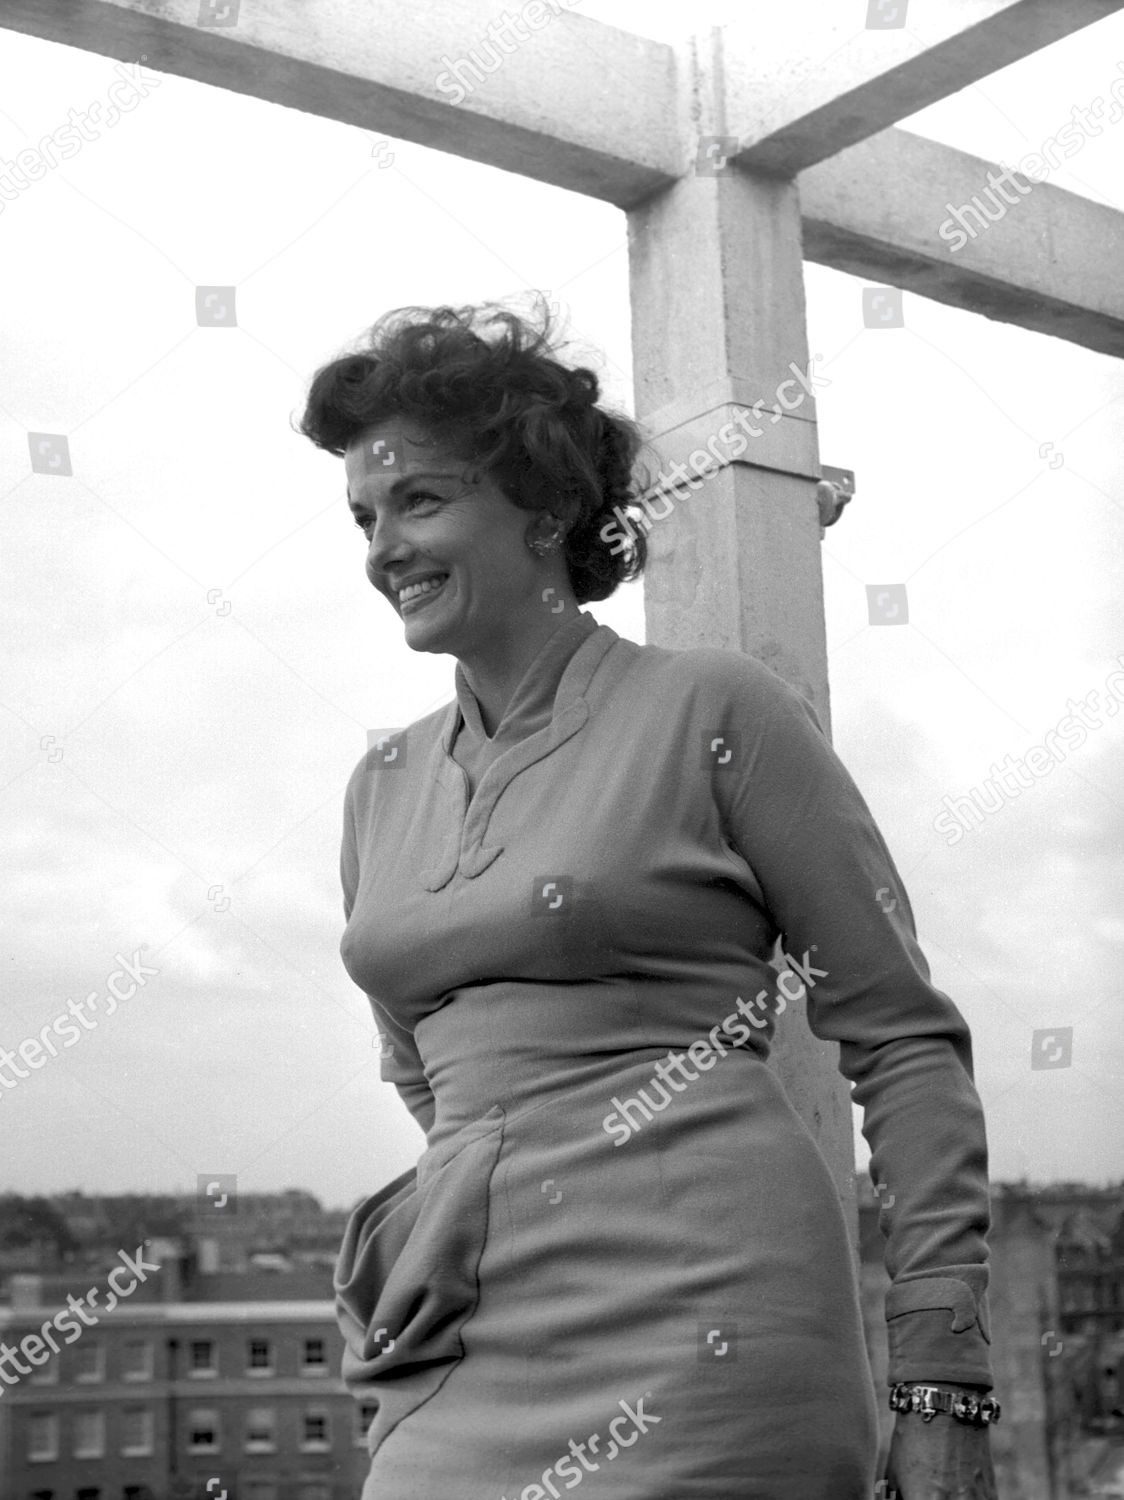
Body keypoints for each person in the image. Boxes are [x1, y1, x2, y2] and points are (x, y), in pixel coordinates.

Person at [297, 298, 999, 1499]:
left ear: (547, 509)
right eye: (365, 516)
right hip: (461, 1328)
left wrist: (941, 1379)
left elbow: (903, 1040)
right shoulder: (380, 785)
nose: (382, 549)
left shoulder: (716, 711)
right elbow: (420, 1070)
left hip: (711, 1324)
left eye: (419, 500)